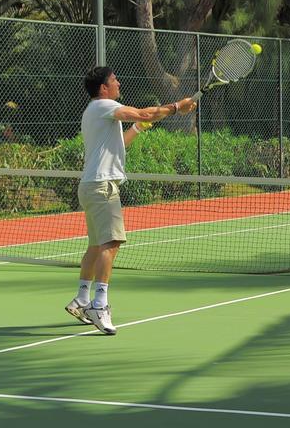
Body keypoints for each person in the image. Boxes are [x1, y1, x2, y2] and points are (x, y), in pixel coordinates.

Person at [65, 67, 197, 335]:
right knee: (111, 243)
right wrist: (176, 107)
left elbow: (122, 142)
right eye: (114, 80)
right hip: (102, 187)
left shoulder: (96, 112)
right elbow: (144, 112)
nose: (118, 82)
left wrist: (138, 127)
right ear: (103, 88)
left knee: (95, 245)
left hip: (91, 186)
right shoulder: (104, 105)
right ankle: (99, 305)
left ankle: (81, 297)